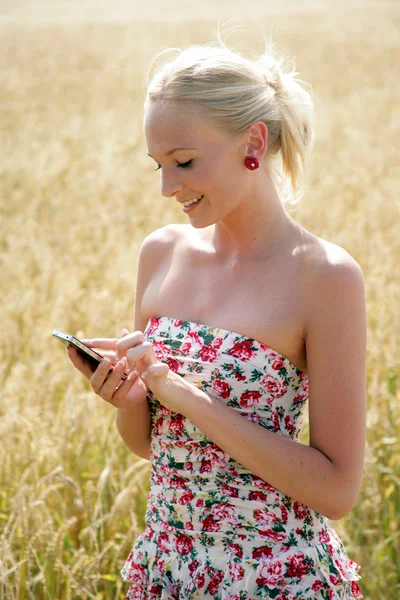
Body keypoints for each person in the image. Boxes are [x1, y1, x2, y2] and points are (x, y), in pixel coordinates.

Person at [67, 30, 366, 600]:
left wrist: (191, 399)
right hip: (167, 570)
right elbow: (156, 447)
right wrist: (130, 399)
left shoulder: (326, 277)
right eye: (157, 164)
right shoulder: (160, 253)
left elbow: (336, 491)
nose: (165, 187)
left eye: (182, 161)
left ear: (253, 140)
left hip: (273, 578)